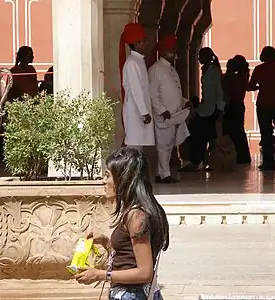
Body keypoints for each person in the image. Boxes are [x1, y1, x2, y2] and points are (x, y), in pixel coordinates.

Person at [75, 147, 169, 300]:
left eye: (107, 176)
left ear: (123, 179)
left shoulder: (137, 216)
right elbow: (130, 256)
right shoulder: (134, 211)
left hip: (132, 295)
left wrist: (100, 275)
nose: (103, 181)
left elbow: (144, 272)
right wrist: (106, 241)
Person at [148, 35, 190, 184]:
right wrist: (161, 110)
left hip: (175, 115)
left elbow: (174, 91)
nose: (174, 52)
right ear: (164, 51)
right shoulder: (156, 69)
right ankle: (163, 174)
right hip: (165, 116)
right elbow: (152, 94)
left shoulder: (171, 69)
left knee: (169, 144)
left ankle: (162, 172)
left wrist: (184, 102)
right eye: (171, 49)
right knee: (164, 146)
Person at [178, 47, 225, 172]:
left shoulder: (213, 71)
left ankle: (199, 161)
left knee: (202, 135)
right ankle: (200, 161)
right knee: (203, 135)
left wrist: (220, 108)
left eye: (201, 56)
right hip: (205, 108)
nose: (199, 58)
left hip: (211, 109)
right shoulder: (207, 70)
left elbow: (219, 91)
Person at [119, 24, 154, 150]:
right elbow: (136, 90)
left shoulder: (138, 61)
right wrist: (144, 112)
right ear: (137, 43)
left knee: (138, 148)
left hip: (138, 110)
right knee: (134, 147)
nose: (147, 43)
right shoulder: (132, 63)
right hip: (135, 111)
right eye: (144, 41)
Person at [221, 55, 252, 164]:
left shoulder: (233, 77)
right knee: (239, 131)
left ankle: (234, 156)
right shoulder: (244, 76)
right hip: (239, 105)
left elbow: (228, 89)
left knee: (231, 132)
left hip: (232, 105)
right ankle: (243, 156)